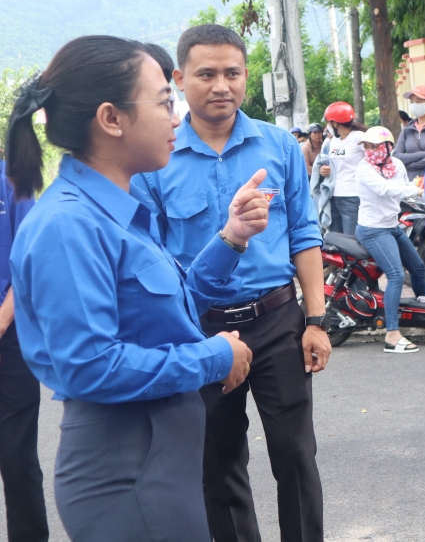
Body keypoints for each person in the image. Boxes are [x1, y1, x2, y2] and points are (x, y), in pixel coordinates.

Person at [7, 35, 262, 541]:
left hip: (159, 465)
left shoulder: (116, 211)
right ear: (111, 118)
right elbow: (90, 366)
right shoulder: (70, 225)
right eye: (165, 103)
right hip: (127, 476)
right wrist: (213, 358)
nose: (175, 118)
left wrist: (231, 238)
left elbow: (172, 309)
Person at [133, 24, 330, 542]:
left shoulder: (278, 147)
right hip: (199, 330)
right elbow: (151, 258)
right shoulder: (157, 160)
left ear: (246, 76)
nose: (222, 85)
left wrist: (315, 320)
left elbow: (305, 235)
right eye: (206, 74)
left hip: (277, 320)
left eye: (232, 73)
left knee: (295, 456)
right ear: (179, 79)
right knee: (217, 463)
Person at [0, 162, 47, 542]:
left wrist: (2, 319)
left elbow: (28, 255)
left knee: (17, 458)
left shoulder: (11, 181)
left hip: (9, 335)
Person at [353, 125, 425, 354]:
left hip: (392, 225)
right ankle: (392, 334)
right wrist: (414, 190)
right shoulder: (364, 169)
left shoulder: (396, 165)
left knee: (418, 267)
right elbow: (385, 189)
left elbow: (405, 187)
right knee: (396, 275)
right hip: (372, 229)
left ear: (388, 147)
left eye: (374, 146)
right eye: (366, 146)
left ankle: (424, 311)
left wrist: (420, 191)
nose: (370, 150)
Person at [319, 101, 366, 235]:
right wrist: (324, 171)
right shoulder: (334, 141)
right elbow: (334, 166)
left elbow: (376, 158)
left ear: (334, 123)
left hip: (353, 196)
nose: (327, 127)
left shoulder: (359, 137)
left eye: (328, 123)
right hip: (333, 196)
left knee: (350, 242)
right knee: (336, 241)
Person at [394, 85, 425, 179]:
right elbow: (396, 156)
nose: (414, 105)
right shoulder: (407, 129)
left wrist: (409, 166)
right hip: (411, 183)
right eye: (412, 102)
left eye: (418, 101)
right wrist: (424, 154)